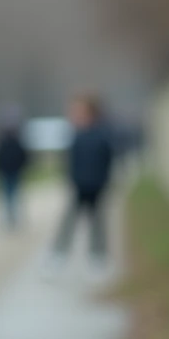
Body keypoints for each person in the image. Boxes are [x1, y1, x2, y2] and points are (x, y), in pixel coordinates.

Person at [48, 92, 115, 275]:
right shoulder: (74, 136)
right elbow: (70, 162)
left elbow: (108, 161)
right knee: (68, 223)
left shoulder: (102, 135)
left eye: (79, 111)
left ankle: (98, 258)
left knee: (97, 225)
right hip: (78, 187)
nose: (74, 115)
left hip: (96, 187)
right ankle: (58, 256)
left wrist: (103, 183)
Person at [0, 104, 30, 229]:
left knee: (10, 195)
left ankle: (11, 217)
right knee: (9, 195)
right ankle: (10, 217)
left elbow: (23, 156)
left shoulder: (11, 139)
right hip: (7, 171)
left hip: (12, 171)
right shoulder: (7, 139)